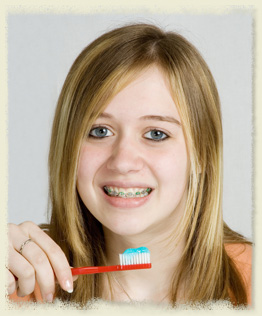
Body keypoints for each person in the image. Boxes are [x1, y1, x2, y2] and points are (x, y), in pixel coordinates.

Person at [7, 23, 252, 307]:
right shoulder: (20, 286)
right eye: (99, 131)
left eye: (156, 134)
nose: (123, 162)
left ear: (203, 156)